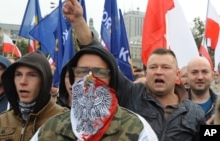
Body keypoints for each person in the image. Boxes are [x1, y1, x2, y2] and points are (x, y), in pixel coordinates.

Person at [62, 0, 206, 140]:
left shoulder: (194, 111)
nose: (158, 72)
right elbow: (101, 56)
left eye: (166, 67)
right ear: (146, 72)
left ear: (177, 74)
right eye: (153, 67)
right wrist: (78, 21)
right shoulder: (131, 94)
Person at [33, 41, 158, 141]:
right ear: (72, 78)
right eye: (81, 72)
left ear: (112, 79)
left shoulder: (137, 129)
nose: (89, 79)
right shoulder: (50, 129)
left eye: (99, 72)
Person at [0, 51, 69, 141]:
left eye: (32, 75)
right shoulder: (1, 121)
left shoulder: (65, 120)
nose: (22, 81)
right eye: (18, 74)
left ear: (44, 81)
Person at [187, 57, 218, 124]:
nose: (200, 77)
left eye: (204, 72)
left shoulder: (219, 105)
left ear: (212, 75)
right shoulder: (176, 106)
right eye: (194, 72)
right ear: (187, 76)